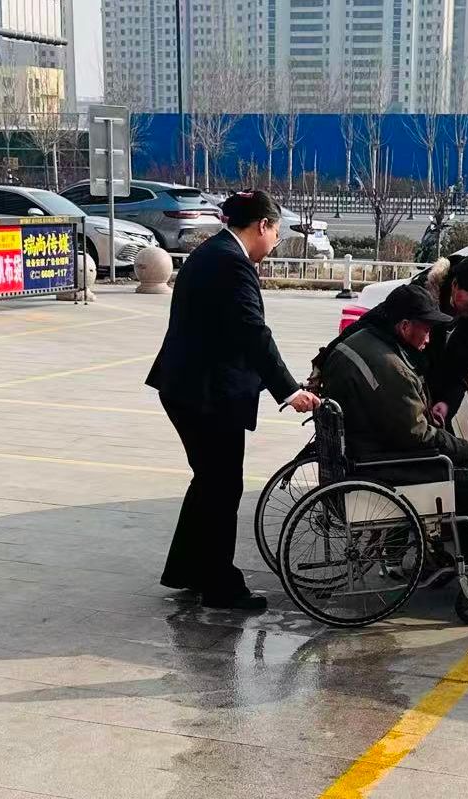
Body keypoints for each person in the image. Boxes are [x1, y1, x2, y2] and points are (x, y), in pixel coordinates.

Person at [146, 189, 320, 611]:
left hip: (190, 387)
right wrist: (289, 390)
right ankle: (220, 585)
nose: (275, 242)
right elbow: (253, 333)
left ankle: (189, 570)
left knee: (209, 481)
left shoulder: (213, 253)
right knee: (222, 486)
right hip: (207, 395)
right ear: (262, 225)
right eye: (276, 233)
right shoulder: (231, 264)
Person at [317, 283, 468, 547]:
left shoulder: (360, 340)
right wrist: (466, 449)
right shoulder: (391, 367)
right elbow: (416, 434)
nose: (429, 339)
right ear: (405, 326)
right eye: (426, 329)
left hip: (361, 452)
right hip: (377, 465)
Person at [311, 251, 468, 427]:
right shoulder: (419, 296)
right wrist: (323, 359)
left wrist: (446, 403)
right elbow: (370, 322)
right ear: (455, 284)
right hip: (399, 393)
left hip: (428, 400)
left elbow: (461, 373)